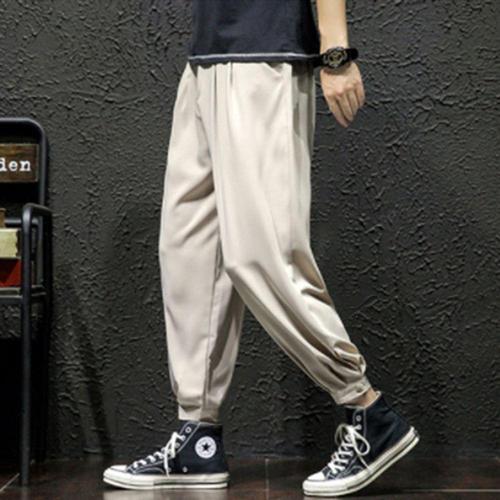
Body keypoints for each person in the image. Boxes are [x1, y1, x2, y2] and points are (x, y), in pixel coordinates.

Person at [103, 0, 419, 496]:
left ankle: (367, 410)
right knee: (189, 250)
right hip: (206, 58)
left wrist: (335, 52)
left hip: (264, 54)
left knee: (261, 254)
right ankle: (197, 437)